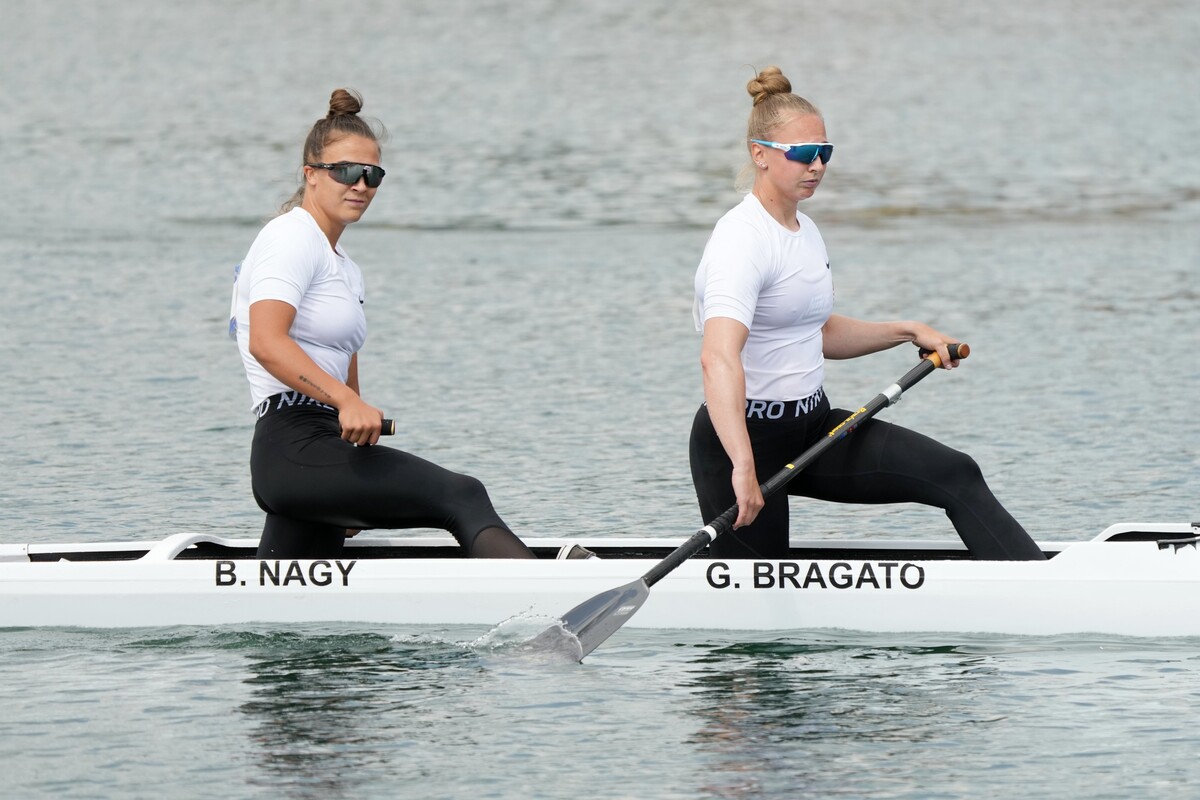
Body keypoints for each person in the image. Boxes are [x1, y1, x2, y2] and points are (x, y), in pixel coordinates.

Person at [689, 67, 1045, 562]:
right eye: (802, 154)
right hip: (743, 444)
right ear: (760, 155)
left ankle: (1032, 585)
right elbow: (718, 358)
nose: (816, 165)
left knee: (955, 472)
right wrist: (743, 466)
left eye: (825, 152)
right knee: (761, 611)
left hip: (813, 430)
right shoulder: (741, 241)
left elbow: (818, 330)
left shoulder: (804, 231)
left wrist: (906, 331)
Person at [229, 88, 535, 560]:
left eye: (373, 175)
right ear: (311, 174)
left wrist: (351, 448)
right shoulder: (290, 236)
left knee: (289, 625)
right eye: (346, 171)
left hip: (320, 450)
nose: (361, 185)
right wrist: (347, 401)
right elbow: (267, 342)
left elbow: (342, 362)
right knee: (463, 495)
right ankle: (546, 614)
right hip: (292, 446)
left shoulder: (344, 265)